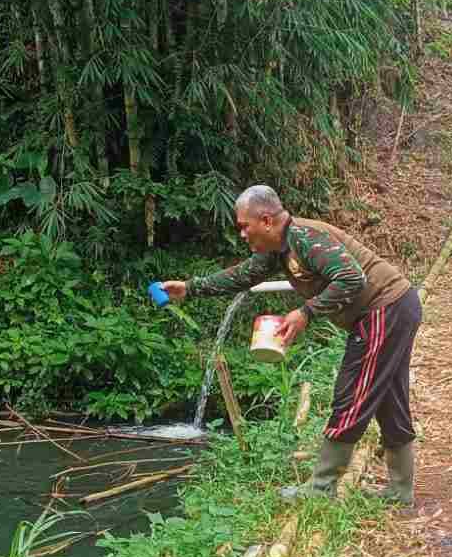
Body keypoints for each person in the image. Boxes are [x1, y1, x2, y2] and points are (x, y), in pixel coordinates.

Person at [159, 186, 421, 504]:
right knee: (389, 398)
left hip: (384, 309)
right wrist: (190, 288)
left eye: (244, 226)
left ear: (266, 220)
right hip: (394, 308)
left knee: (352, 395)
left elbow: (352, 278)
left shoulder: (305, 238)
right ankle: (400, 491)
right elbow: (242, 275)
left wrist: (306, 313)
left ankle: (321, 489)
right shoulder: (278, 249)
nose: (242, 234)